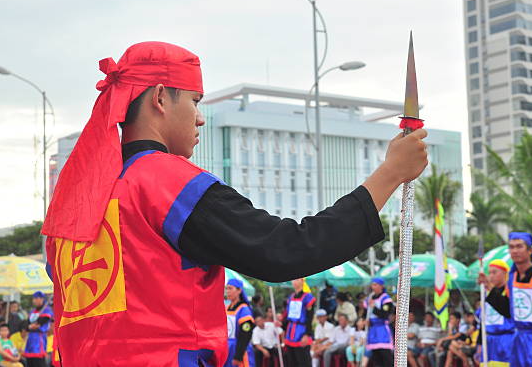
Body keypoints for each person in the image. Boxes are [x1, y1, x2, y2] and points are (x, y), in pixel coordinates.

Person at [42, 41, 428, 365]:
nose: (200, 119)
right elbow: (285, 251)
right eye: (195, 101)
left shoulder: (71, 206)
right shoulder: (165, 182)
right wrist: (390, 174)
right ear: (161, 97)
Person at [480, 232, 532, 367]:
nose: (515, 251)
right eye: (511, 247)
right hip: (520, 342)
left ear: (530, 250)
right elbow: (509, 311)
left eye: (519, 246)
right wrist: (490, 289)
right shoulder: (512, 279)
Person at [475, 259, 514, 367]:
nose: (491, 276)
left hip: (506, 341)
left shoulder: (510, 292)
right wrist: (479, 344)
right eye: (489, 272)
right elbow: (483, 321)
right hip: (488, 341)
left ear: (505, 273)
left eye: (494, 272)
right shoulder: (485, 294)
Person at [284, 278, 316, 367]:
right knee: (291, 361)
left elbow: (310, 317)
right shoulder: (291, 297)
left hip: (301, 332)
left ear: (302, 281)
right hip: (290, 332)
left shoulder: (308, 297)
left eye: (297, 279)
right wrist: (281, 323)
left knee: (303, 361)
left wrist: (307, 334)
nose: (294, 282)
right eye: (293, 280)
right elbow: (287, 316)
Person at [364, 278, 394, 367]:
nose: (373, 287)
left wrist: (374, 308)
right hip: (373, 330)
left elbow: (384, 314)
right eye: (372, 284)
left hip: (382, 330)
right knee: (376, 357)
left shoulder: (385, 298)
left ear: (381, 286)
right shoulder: (369, 298)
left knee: (385, 355)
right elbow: (366, 313)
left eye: (375, 284)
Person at [225, 279, 255, 367]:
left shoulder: (244, 310)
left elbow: (246, 334)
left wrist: (238, 356)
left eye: (230, 288)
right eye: (226, 289)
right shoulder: (226, 308)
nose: (227, 291)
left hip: (240, 350)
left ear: (239, 290)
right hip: (227, 349)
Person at [23, 292, 52, 367]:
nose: (34, 301)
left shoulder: (47, 310)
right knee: (30, 361)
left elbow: (40, 323)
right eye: (34, 299)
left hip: (39, 339)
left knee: (38, 361)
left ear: (42, 299)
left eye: (36, 298)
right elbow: (26, 325)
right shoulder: (32, 311)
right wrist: (29, 327)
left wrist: (31, 326)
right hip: (30, 339)